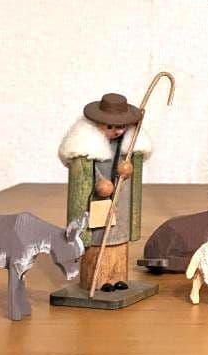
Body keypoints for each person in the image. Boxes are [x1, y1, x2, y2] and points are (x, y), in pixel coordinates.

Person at [58, 92, 150, 292]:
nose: (117, 131)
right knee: (98, 242)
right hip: (97, 206)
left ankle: (118, 277)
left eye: (121, 126)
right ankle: (98, 281)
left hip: (121, 206)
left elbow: (131, 171)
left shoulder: (128, 147)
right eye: (110, 127)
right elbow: (84, 176)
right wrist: (101, 184)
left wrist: (127, 170)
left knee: (118, 241)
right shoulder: (86, 149)